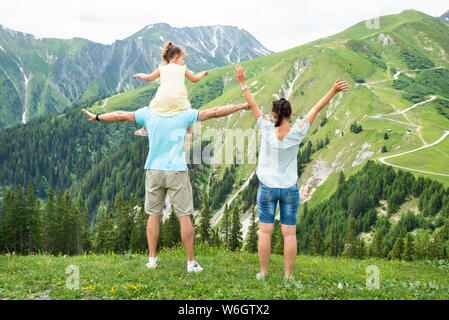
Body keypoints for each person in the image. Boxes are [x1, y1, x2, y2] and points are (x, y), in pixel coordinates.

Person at [82, 100, 249, 273]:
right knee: (184, 216)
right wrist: (241, 106)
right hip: (176, 171)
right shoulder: (185, 114)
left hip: (154, 170)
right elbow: (215, 111)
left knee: (153, 215)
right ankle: (191, 263)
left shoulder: (149, 113)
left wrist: (97, 117)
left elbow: (120, 115)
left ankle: (152, 260)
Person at [233, 64, 348, 280]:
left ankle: (263, 273)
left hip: (267, 187)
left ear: (274, 114)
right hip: (289, 189)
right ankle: (288, 275)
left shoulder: (266, 127)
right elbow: (316, 108)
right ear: (291, 114)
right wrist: (333, 91)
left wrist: (241, 82)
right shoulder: (297, 131)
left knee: (265, 232)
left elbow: (252, 103)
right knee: (289, 234)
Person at [133, 41, 209, 140]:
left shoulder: (162, 68)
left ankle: (145, 129)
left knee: (150, 110)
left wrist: (139, 74)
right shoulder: (183, 68)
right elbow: (194, 79)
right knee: (188, 111)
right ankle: (189, 133)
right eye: (183, 59)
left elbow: (149, 77)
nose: (183, 61)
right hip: (179, 100)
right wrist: (203, 73)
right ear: (176, 57)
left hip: (162, 99)